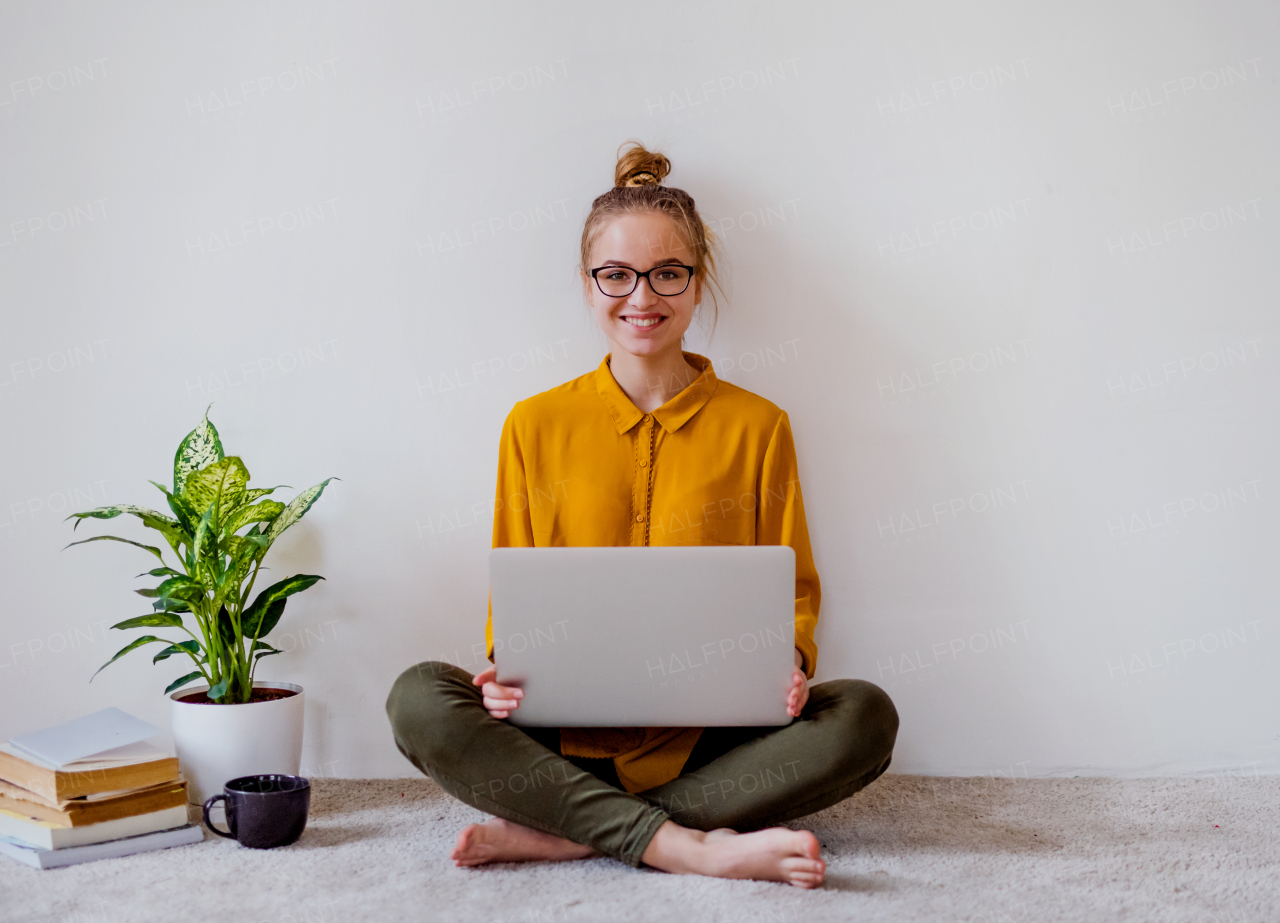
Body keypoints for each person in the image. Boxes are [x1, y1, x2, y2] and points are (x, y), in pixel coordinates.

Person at [386, 142, 898, 888]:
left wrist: (788, 662)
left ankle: (575, 831)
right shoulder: (532, 424)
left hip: (714, 743)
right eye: (616, 275)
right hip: (558, 739)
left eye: (667, 274)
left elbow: (791, 594)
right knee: (418, 697)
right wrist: (500, 671)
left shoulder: (760, 426)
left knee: (864, 714)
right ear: (588, 284)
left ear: (698, 284)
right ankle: (690, 843)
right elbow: (515, 597)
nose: (642, 297)